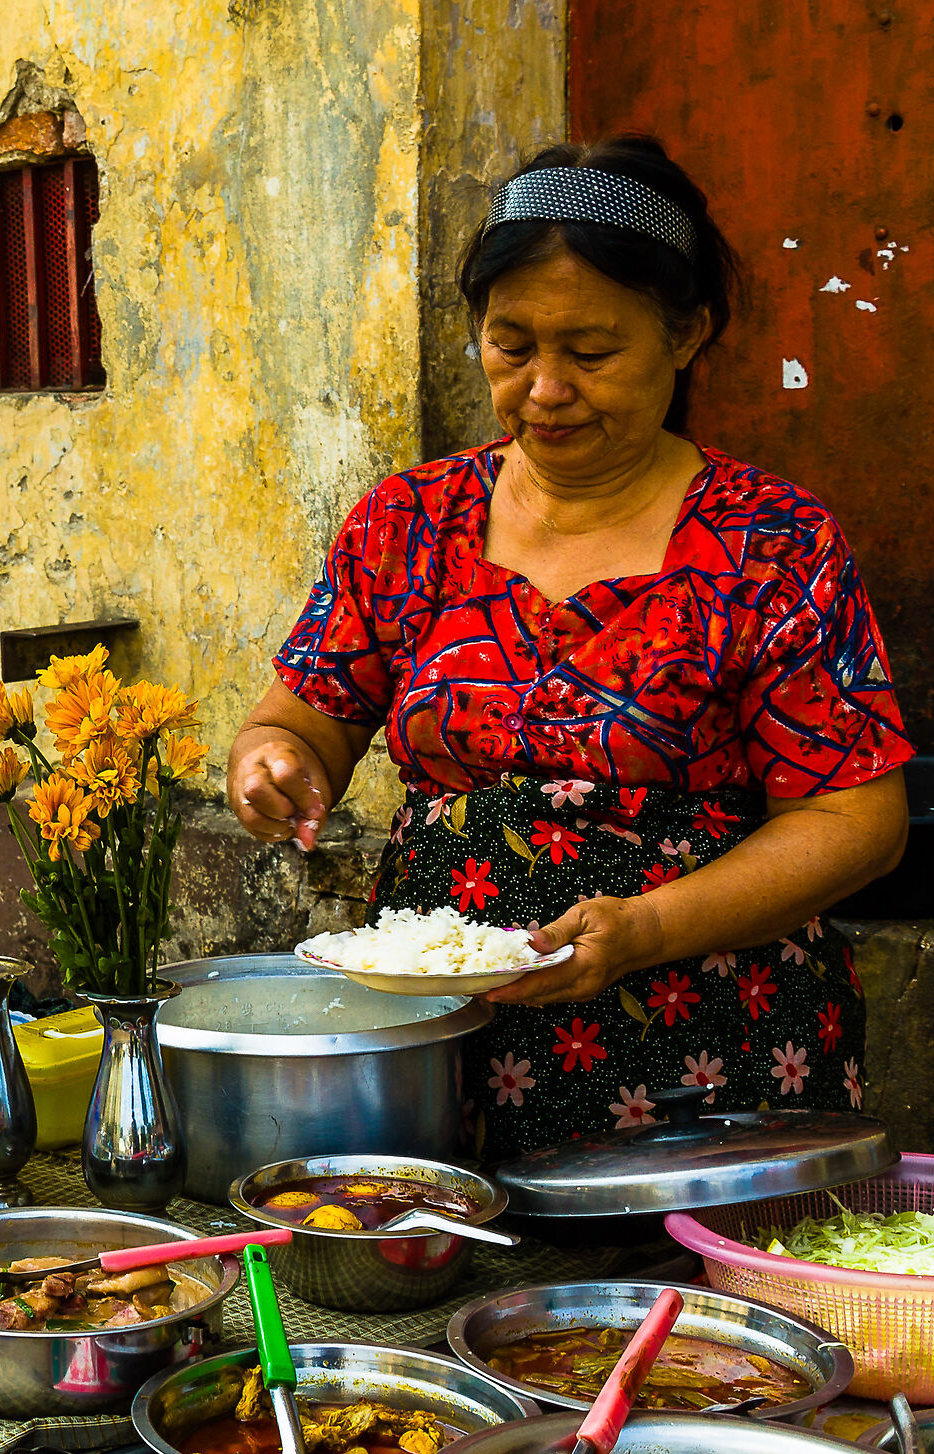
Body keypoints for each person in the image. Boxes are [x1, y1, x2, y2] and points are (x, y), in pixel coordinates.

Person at [229, 137, 913, 1162]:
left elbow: (855, 818)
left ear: (685, 336)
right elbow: (303, 718)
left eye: (591, 354)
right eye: (511, 346)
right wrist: (272, 761)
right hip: (438, 1050)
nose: (545, 388)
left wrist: (647, 928)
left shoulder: (770, 542)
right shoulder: (411, 520)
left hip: (712, 1058)